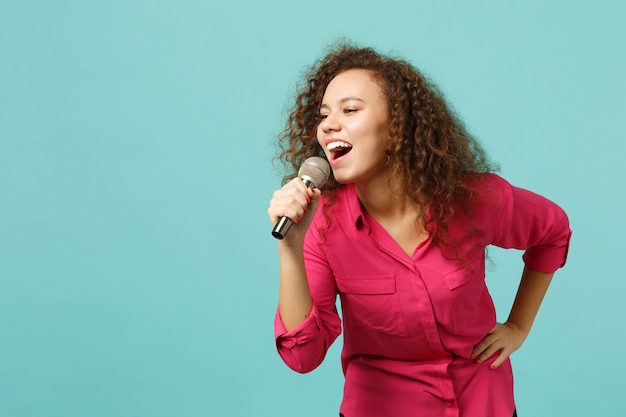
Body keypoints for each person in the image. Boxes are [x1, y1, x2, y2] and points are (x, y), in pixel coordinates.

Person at [267, 42, 571, 417]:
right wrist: (290, 249)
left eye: (350, 110)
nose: (329, 124)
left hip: (481, 401)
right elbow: (303, 355)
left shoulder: (474, 198)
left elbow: (552, 232)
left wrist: (518, 326)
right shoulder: (323, 226)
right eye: (324, 114)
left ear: (397, 126)